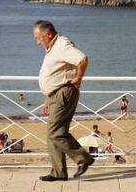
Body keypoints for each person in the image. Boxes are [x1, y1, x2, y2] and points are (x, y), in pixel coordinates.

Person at [33, 20, 94, 181]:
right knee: (52, 134)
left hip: (63, 94)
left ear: (49, 34)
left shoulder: (61, 45)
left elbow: (82, 59)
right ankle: (58, 172)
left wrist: (79, 78)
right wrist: (47, 97)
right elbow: (56, 75)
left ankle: (83, 158)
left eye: (38, 38)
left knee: (55, 132)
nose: (37, 42)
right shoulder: (52, 48)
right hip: (55, 95)